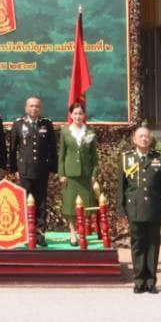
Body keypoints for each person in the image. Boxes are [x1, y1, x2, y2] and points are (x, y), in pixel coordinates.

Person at [119, 124, 161, 294]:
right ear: (134, 139)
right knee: (138, 244)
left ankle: (151, 281)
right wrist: (122, 210)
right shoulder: (126, 158)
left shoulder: (160, 158)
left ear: (151, 139)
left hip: (154, 208)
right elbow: (121, 187)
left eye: (146, 136)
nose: (144, 139)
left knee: (153, 245)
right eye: (140, 136)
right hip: (134, 208)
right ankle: (139, 280)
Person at [9, 96, 58, 237]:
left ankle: (40, 233)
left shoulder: (46, 124)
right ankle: (26, 233)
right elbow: (13, 149)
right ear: (26, 108)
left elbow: (52, 148)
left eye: (36, 106)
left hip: (42, 169)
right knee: (24, 201)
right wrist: (14, 169)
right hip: (25, 170)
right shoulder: (18, 124)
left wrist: (53, 169)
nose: (34, 108)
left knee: (41, 203)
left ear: (40, 108)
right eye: (31, 106)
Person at [57, 101, 99, 237]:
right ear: (71, 115)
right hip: (70, 174)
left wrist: (94, 174)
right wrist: (61, 174)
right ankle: (73, 232)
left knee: (87, 204)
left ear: (84, 115)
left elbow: (94, 156)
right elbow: (62, 155)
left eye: (80, 113)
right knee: (70, 205)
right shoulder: (65, 131)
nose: (78, 116)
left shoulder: (90, 132)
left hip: (86, 174)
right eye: (75, 113)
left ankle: (83, 231)